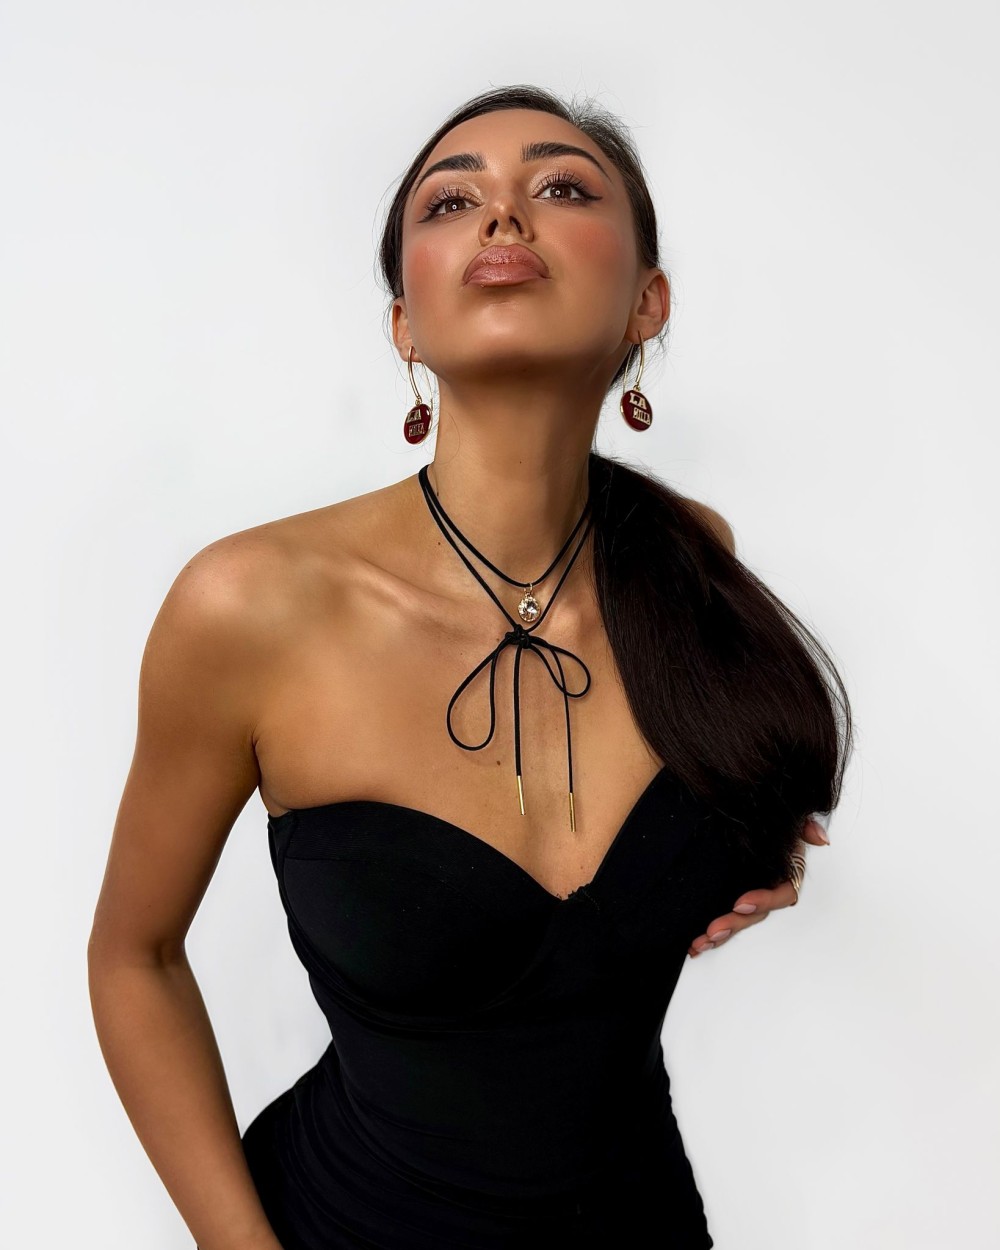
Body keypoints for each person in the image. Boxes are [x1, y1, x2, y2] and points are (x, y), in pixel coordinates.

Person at [87, 84, 852, 1250]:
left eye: (560, 187)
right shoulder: (250, 605)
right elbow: (132, 956)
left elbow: (743, 795)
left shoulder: (692, 563)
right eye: (452, 201)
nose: (504, 214)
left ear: (646, 300)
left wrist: (739, 843)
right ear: (405, 323)